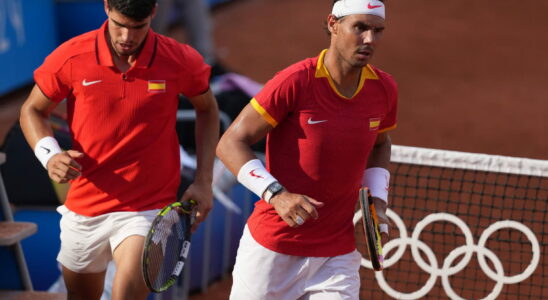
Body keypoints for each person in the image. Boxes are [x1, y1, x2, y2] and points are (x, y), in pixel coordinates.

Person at [19, 0, 219, 299]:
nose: (127, 37)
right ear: (106, 8)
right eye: (120, 25)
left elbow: (208, 110)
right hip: (85, 207)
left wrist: (204, 180)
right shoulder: (72, 55)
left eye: (138, 28)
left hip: (147, 207)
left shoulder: (178, 59)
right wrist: (50, 156)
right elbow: (32, 110)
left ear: (153, 13)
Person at [216, 0, 396, 298]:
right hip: (272, 250)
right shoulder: (295, 81)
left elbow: (380, 143)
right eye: (360, 28)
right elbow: (229, 143)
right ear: (332, 24)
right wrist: (277, 195)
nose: (369, 40)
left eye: (377, 31)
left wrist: (378, 200)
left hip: (335, 256)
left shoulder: (384, 89)